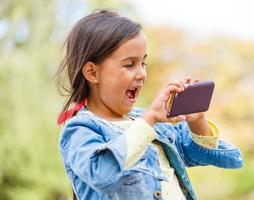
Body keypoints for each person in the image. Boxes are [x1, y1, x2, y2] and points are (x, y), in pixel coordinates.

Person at [56, 9, 243, 200]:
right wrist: (149, 119)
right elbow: (101, 173)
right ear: (92, 73)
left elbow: (200, 153)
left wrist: (196, 120)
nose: (142, 74)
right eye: (130, 64)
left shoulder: (151, 123)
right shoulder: (80, 129)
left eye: (143, 63)